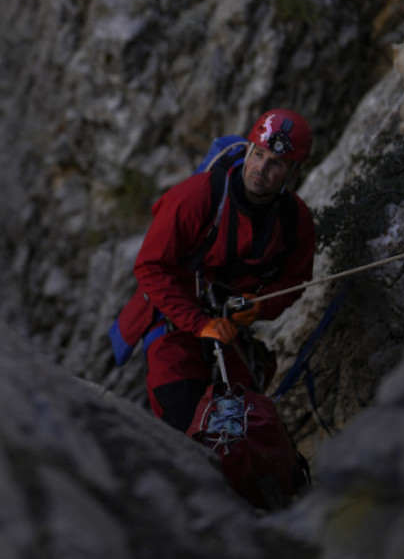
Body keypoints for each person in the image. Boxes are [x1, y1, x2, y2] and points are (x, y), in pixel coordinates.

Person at [114, 109, 316, 431]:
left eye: (275, 164)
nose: (261, 169)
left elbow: (295, 280)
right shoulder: (195, 198)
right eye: (259, 154)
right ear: (248, 149)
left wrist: (262, 305)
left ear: (292, 171)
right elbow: (151, 267)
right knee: (180, 421)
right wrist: (200, 323)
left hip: (229, 330)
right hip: (174, 321)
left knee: (234, 430)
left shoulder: (295, 221)